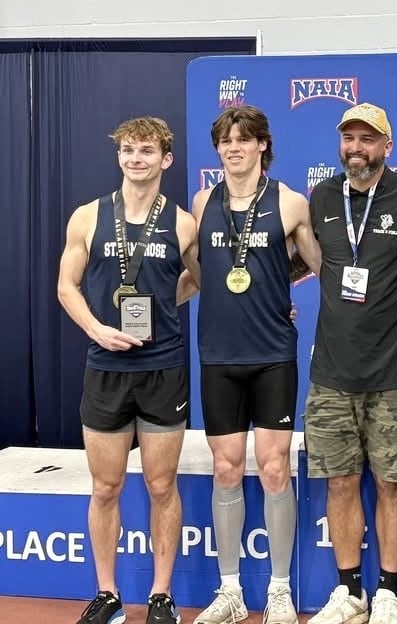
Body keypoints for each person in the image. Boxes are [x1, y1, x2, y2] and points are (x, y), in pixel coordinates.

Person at [180, 105, 320, 624]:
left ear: (263, 145)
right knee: (225, 467)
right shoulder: (202, 201)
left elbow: (318, 263)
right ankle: (231, 590)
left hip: (272, 355)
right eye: (225, 141)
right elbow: (200, 269)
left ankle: (280, 590)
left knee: (276, 467)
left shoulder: (290, 202)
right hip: (218, 354)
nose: (233, 148)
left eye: (244, 139)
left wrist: (277, 286)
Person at [57, 117, 200, 624]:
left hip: (162, 368)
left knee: (162, 486)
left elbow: (198, 280)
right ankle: (108, 595)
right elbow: (66, 286)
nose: (136, 158)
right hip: (105, 367)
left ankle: (161, 596)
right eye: (128, 150)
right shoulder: (88, 217)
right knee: (106, 487)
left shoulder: (183, 223)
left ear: (166, 160)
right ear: (119, 156)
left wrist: (164, 305)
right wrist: (97, 329)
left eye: (147, 151)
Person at [304, 103, 397, 624]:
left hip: (393, 373)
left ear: (387, 146)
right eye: (349, 139)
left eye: (367, 139)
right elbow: (296, 257)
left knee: (392, 482)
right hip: (332, 373)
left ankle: (388, 592)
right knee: (339, 481)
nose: (356, 148)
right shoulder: (320, 198)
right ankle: (348, 590)